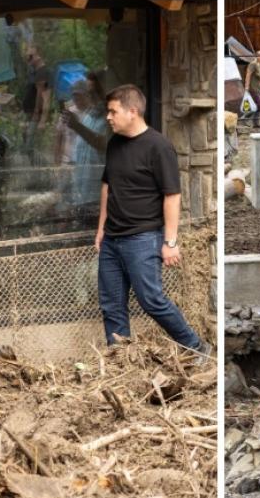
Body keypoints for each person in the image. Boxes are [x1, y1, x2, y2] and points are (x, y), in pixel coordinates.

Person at [95, 85, 210, 357]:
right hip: (112, 239)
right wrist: (101, 228)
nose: (108, 117)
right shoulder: (115, 143)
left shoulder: (159, 146)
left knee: (152, 300)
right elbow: (107, 186)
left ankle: (196, 348)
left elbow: (172, 195)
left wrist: (170, 241)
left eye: (113, 111)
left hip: (144, 238)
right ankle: (120, 361)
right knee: (111, 304)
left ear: (132, 111)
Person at [60, 78, 109, 208]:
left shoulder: (110, 120)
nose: (89, 97)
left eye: (92, 93)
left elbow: (102, 144)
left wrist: (76, 126)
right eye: (88, 93)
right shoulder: (88, 117)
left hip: (99, 197)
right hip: (82, 194)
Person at [22, 48, 52, 162]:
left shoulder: (43, 72)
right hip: (29, 114)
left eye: (30, 57)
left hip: (35, 115)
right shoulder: (35, 72)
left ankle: (40, 169)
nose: (28, 60)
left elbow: (45, 97)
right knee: (28, 143)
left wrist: (41, 118)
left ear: (39, 56)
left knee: (31, 145)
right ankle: (35, 166)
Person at [243, 51, 260, 128]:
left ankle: (255, 123)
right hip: (252, 88)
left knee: (256, 105)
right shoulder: (253, 64)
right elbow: (248, 75)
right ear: (259, 57)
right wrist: (247, 87)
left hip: (258, 88)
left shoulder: (259, 65)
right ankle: (246, 118)